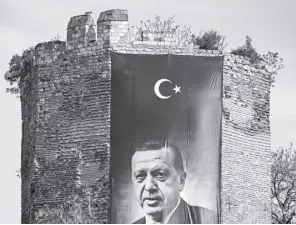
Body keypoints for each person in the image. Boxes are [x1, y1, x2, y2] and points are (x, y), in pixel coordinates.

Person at [131, 140, 218, 224]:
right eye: (140, 176)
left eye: (160, 174)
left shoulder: (214, 221)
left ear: (181, 181)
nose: (149, 186)